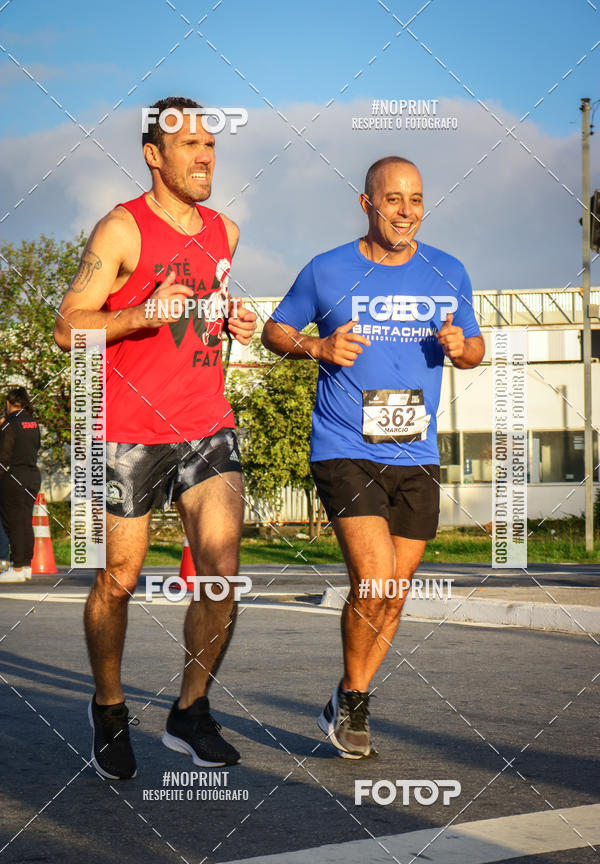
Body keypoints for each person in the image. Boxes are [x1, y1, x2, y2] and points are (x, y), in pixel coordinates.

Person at [54, 97, 256, 779]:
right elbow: (67, 326)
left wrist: (232, 322)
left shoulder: (225, 232)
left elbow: (202, 315)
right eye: (190, 144)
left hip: (207, 423)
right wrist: (139, 314)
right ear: (154, 154)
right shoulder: (122, 229)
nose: (205, 156)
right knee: (119, 578)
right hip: (126, 430)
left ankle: (190, 712)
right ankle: (109, 708)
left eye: (210, 144)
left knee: (222, 574)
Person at [262, 156, 485, 758]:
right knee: (375, 579)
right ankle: (357, 703)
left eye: (416, 199)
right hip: (345, 447)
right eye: (392, 199)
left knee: (394, 593)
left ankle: (345, 695)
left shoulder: (449, 270)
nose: (406, 211)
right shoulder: (327, 269)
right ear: (367, 204)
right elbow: (275, 331)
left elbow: (475, 348)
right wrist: (317, 346)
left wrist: (462, 348)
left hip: (417, 452)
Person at [0, 388, 41, 583]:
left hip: (14, 477)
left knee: (14, 522)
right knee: (25, 521)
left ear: (9, 403)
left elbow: (4, 456)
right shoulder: (33, 422)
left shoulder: (10, 424)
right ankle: (25, 566)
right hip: (32, 476)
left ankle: (16, 566)